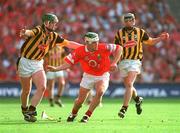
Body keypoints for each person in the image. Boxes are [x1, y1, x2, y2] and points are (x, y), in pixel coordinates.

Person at [17, 13, 81, 122]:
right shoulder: (38, 30)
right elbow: (30, 32)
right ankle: (24, 109)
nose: (55, 26)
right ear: (46, 22)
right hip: (25, 62)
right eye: (53, 23)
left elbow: (68, 43)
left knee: (42, 87)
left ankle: (31, 110)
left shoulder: (54, 36)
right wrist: (25, 32)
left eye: (55, 24)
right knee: (26, 90)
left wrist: (84, 47)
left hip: (37, 63)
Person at [47, 32, 122, 123]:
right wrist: (56, 69)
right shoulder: (80, 51)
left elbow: (119, 48)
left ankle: (87, 115)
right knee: (80, 101)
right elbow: (68, 64)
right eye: (94, 42)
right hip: (88, 76)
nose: (96, 44)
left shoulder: (103, 47)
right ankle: (74, 113)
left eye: (97, 41)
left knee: (100, 92)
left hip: (103, 75)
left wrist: (114, 62)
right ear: (87, 42)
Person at [114, 13, 169, 118]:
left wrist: (160, 38)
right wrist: (114, 62)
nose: (129, 22)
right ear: (124, 22)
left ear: (134, 21)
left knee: (129, 84)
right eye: (127, 20)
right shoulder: (119, 33)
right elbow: (117, 49)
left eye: (131, 20)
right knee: (129, 86)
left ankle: (124, 109)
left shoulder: (140, 32)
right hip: (123, 61)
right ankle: (138, 100)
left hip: (135, 61)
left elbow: (150, 42)